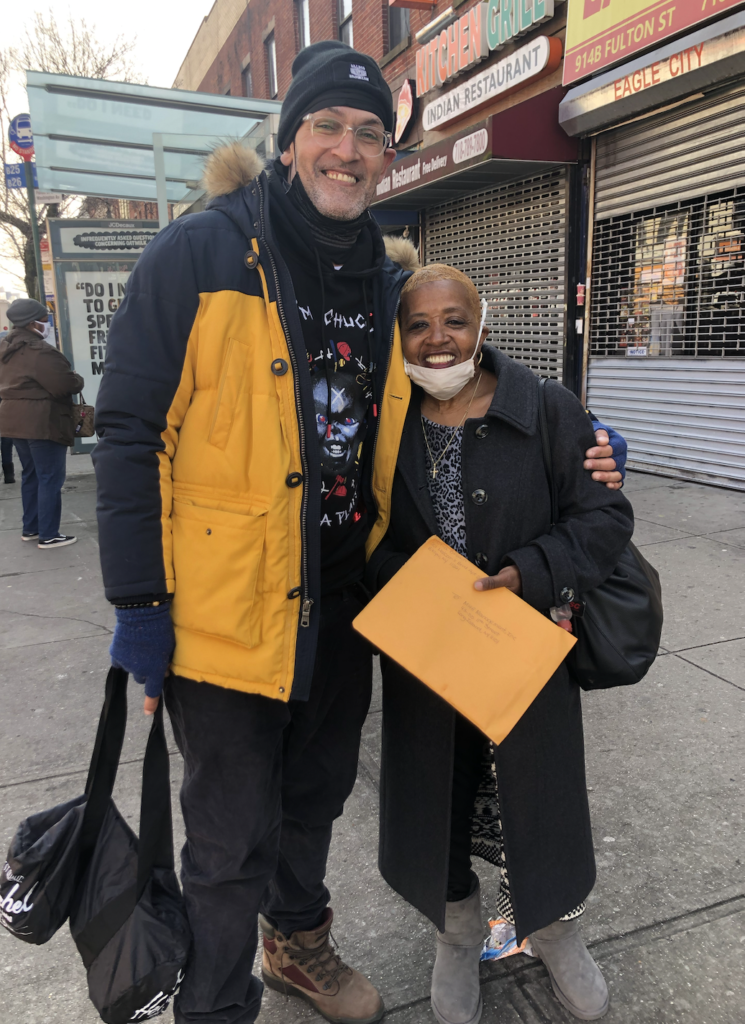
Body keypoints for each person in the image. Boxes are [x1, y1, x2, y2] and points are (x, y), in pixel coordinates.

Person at [93, 41, 625, 1024]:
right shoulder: (202, 251)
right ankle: (214, 1005)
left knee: (315, 800)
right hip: (224, 616)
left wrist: (580, 434)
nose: (348, 148)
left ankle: (297, 946)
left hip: (345, 600)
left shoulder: (385, 280)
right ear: (290, 139)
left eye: (369, 133)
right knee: (227, 834)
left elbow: (455, 364)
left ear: (386, 155)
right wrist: (138, 601)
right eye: (328, 127)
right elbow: (128, 433)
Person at [365, 265, 635, 1024]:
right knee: (436, 805)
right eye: (418, 324)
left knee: (537, 804)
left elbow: (605, 518)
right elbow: (360, 529)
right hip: (429, 658)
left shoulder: (545, 408)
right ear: (400, 335)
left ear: (481, 326)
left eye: (453, 319)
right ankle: (456, 936)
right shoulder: (384, 421)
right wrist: (407, 588)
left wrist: (531, 572)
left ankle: (552, 931)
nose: (436, 338)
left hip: (524, 649)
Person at [0, 298, 82, 548]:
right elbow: (64, 385)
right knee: (50, 477)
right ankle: (49, 534)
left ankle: (31, 528)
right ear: (33, 323)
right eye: (44, 319)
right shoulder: (39, 351)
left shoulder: (5, 348)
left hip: (13, 420)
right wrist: (77, 379)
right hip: (42, 421)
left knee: (32, 474)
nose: (47, 323)